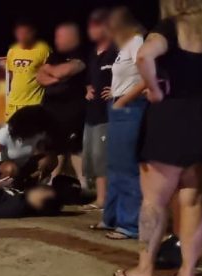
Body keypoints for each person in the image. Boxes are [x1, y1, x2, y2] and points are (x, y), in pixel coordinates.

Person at [116, 0, 202, 276]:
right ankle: (188, 274)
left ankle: (144, 268)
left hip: (170, 121)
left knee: (154, 201)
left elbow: (144, 56)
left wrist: (153, 89)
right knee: (195, 201)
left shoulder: (173, 26)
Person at [94, 7, 148, 241]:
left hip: (130, 108)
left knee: (126, 167)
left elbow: (148, 77)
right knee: (114, 165)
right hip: (117, 106)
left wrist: (123, 99)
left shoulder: (138, 42)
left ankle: (130, 224)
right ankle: (112, 217)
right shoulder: (122, 47)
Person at [38, 22, 88, 188]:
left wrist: (54, 73)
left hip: (72, 108)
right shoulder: (54, 56)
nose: (56, 40)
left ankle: (83, 182)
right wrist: (57, 77)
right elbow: (40, 77)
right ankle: (53, 180)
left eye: (60, 36)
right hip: (51, 109)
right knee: (54, 146)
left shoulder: (81, 54)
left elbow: (62, 72)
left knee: (74, 147)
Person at [83, 8, 118, 210]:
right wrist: (86, 88)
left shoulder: (116, 51)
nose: (91, 30)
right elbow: (88, 80)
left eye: (95, 26)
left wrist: (116, 90)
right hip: (92, 112)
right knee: (94, 157)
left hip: (108, 113)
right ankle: (100, 198)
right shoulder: (92, 53)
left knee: (103, 157)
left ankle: (105, 200)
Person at [6, 19, 51, 120]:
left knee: (29, 135)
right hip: (13, 104)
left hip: (33, 104)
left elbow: (50, 73)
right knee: (4, 135)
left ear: (32, 33)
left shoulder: (43, 49)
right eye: (19, 33)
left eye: (25, 33)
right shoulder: (12, 50)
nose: (22, 37)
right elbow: (11, 75)